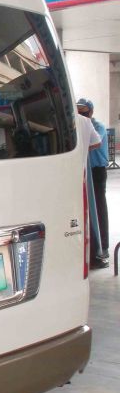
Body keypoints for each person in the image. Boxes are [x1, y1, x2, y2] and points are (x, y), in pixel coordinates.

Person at [78, 99, 111, 268]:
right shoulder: (82, 124)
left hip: (97, 171)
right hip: (86, 171)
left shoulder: (98, 126)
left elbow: (93, 143)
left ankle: (103, 247)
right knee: (89, 209)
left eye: (84, 112)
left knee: (99, 209)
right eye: (79, 112)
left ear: (91, 112)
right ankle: (94, 246)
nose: (81, 115)